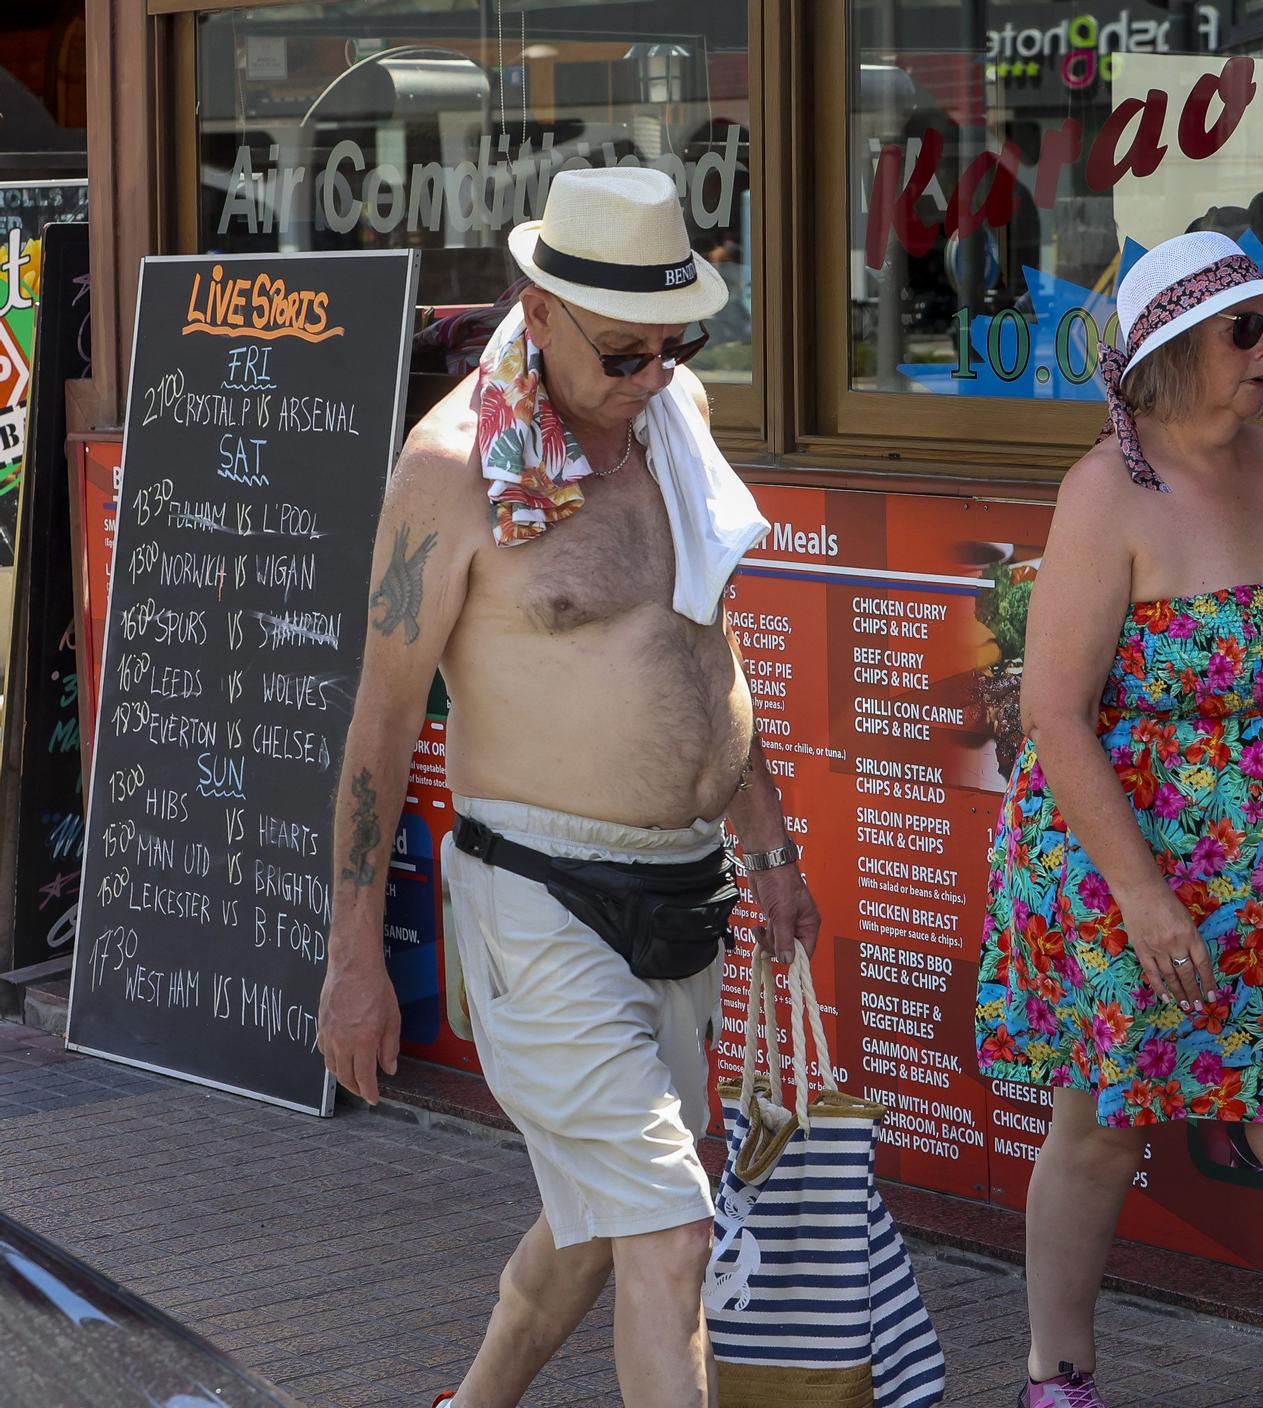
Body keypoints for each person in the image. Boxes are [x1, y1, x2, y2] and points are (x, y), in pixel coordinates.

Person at [317, 166, 817, 1408]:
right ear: (535, 310)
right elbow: (381, 720)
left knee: (603, 1221)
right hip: (537, 895)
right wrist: (351, 954)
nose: (651, 372)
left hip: (684, 882)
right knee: (669, 1231)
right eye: (622, 350)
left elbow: (708, 649)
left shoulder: (672, 414)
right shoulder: (449, 469)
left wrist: (768, 850)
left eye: (673, 343)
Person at [975, 232, 1263, 1408]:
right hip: (1128, 864)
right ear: (1164, 355)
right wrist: (1146, 895)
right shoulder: (1104, 490)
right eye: (1242, 331)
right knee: (1103, 1124)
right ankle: (1057, 1373)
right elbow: (1054, 712)